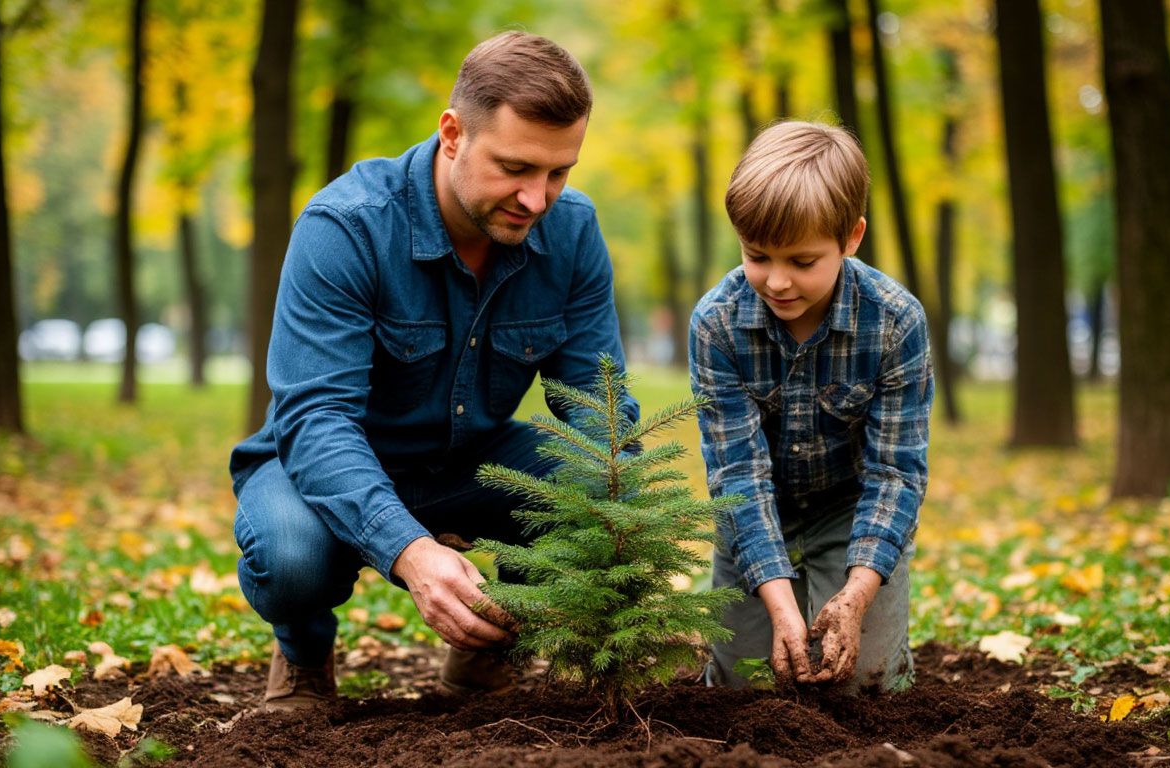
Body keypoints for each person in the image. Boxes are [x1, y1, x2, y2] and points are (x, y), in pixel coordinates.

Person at [228, 31, 638, 711]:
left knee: (598, 482)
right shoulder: (347, 227)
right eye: (514, 168)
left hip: (472, 458)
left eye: (558, 173)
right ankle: (302, 657)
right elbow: (317, 421)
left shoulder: (571, 232)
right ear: (453, 134)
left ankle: (485, 650)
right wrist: (410, 549)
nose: (537, 199)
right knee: (292, 556)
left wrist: (620, 521)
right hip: (323, 463)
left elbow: (597, 405)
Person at [688, 121, 932, 693]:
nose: (776, 281)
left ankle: (879, 645)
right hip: (754, 514)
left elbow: (896, 473)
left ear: (851, 237)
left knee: (861, 685)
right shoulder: (717, 323)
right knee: (744, 688)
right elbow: (737, 475)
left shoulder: (896, 322)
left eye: (802, 261)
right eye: (757, 256)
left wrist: (857, 593)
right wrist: (777, 601)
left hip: (852, 516)